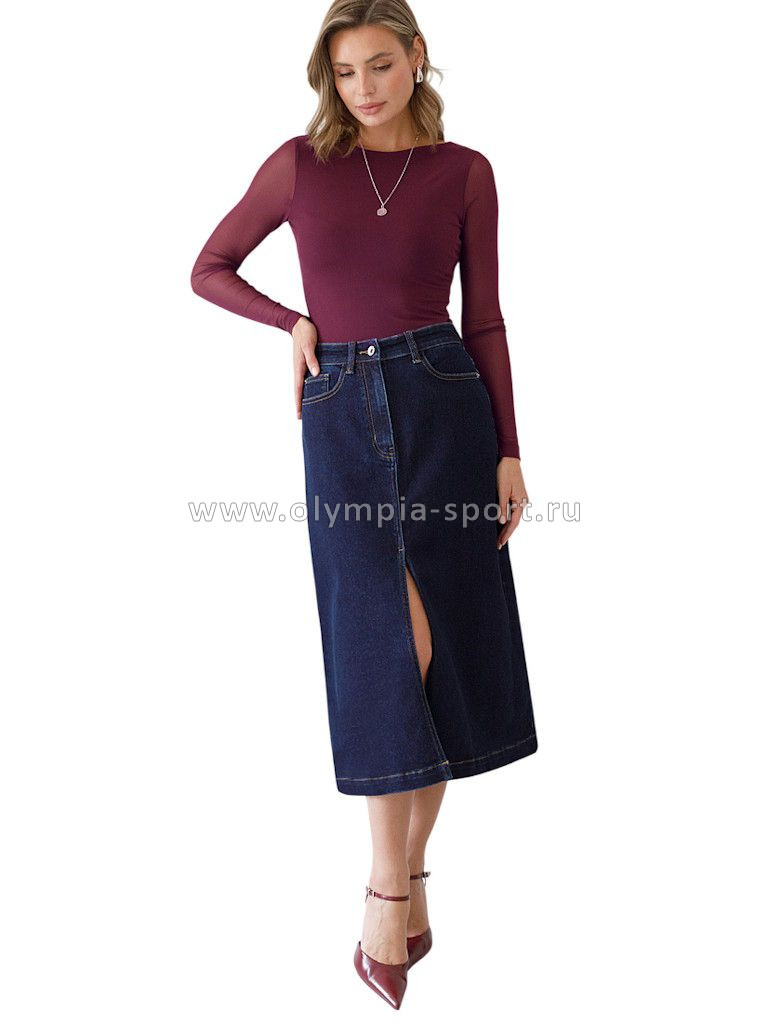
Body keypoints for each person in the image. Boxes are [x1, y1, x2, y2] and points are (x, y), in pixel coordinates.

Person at [190, 0, 538, 1008]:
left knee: (441, 654)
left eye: (380, 65)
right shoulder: (299, 167)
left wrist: (510, 448)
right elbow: (209, 269)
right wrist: (292, 322)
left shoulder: (465, 171)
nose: (364, 88)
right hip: (341, 408)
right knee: (388, 646)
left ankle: (398, 888)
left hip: (443, 401)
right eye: (345, 73)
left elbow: (487, 319)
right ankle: (397, 888)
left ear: (417, 57)